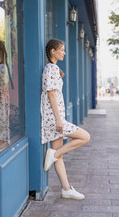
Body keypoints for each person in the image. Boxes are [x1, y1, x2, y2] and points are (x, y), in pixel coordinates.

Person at [40, 39, 90, 200]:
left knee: (58, 155)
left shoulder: (52, 68)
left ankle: (66, 189)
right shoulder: (52, 68)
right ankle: (53, 155)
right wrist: (59, 120)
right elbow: (51, 94)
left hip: (54, 118)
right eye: (61, 50)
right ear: (53, 51)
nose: (64, 53)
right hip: (54, 119)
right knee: (85, 137)